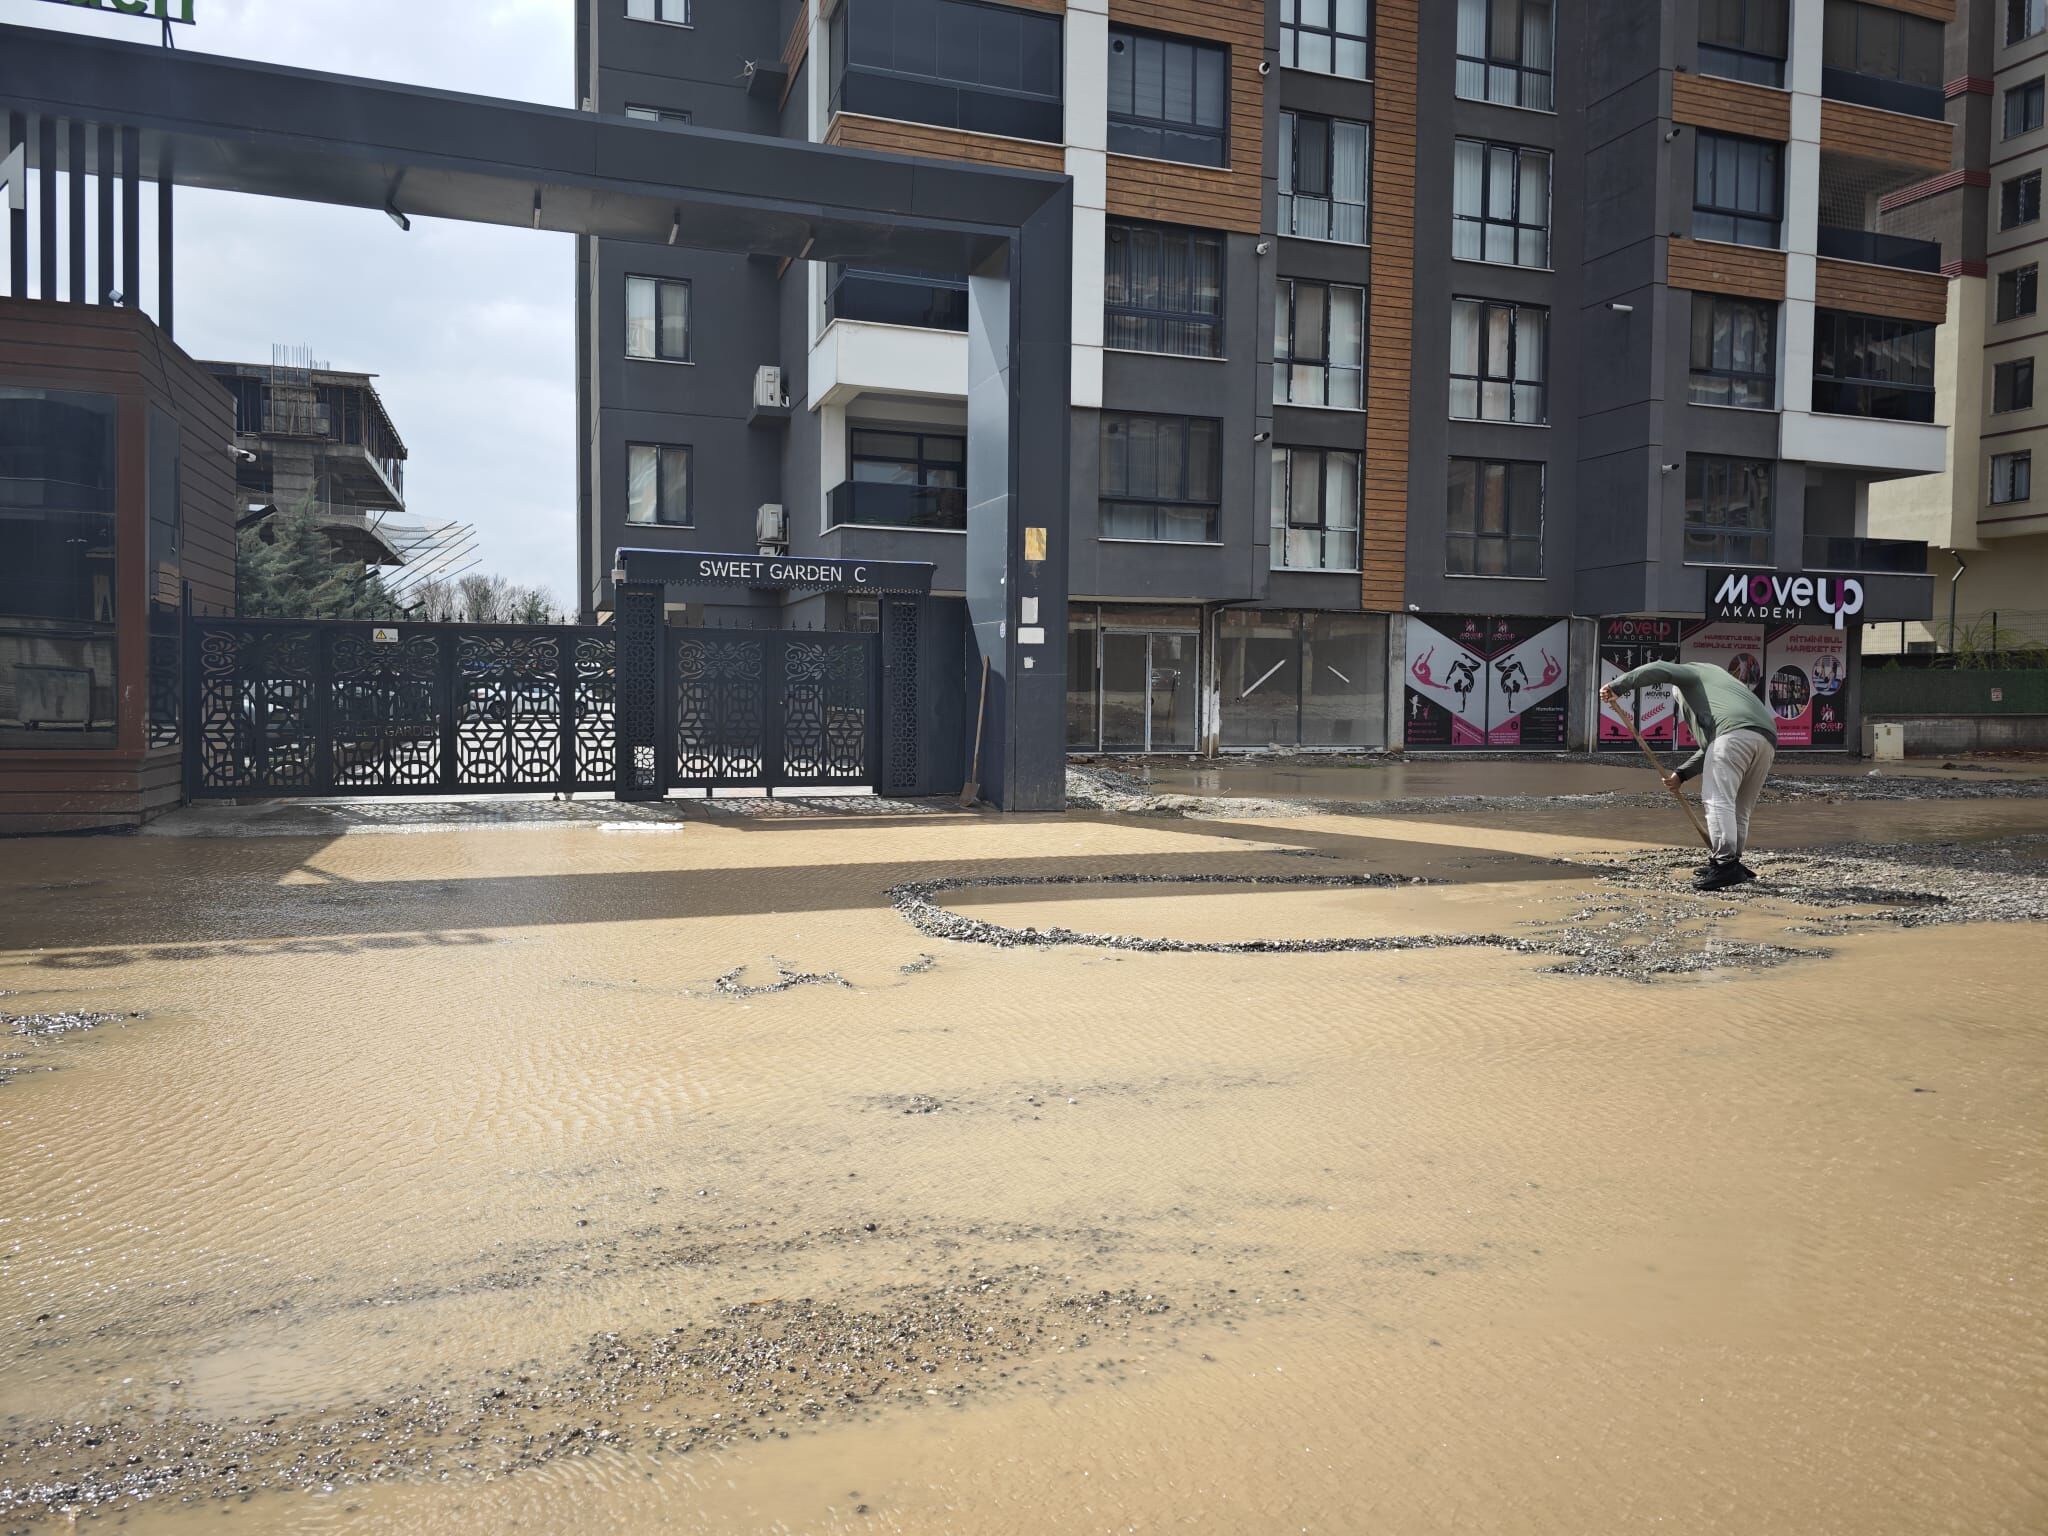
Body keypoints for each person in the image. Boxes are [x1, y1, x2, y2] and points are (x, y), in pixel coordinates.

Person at [1601, 661, 1778, 890]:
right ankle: (1731, 860)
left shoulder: (1694, 672)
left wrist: (1617, 686)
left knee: (1717, 800)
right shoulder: (1725, 688)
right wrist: (1681, 775)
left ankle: (1725, 865)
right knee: (1739, 808)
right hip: (1766, 740)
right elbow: (1712, 748)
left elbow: (1659, 668)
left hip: (1732, 736)